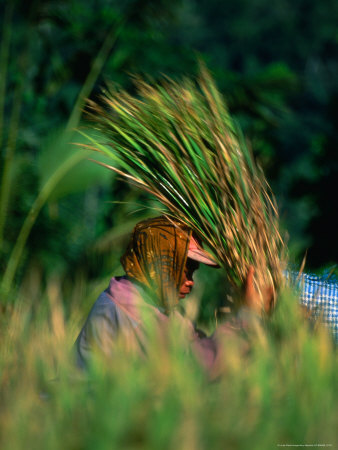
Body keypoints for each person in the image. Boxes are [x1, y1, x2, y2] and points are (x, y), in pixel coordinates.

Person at [74, 216, 267, 374]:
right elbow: (196, 367)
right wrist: (248, 317)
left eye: (193, 272)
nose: (191, 281)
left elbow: (190, 340)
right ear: (160, 263)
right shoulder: (133, 312)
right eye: (185, 270)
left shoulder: (140, 299)